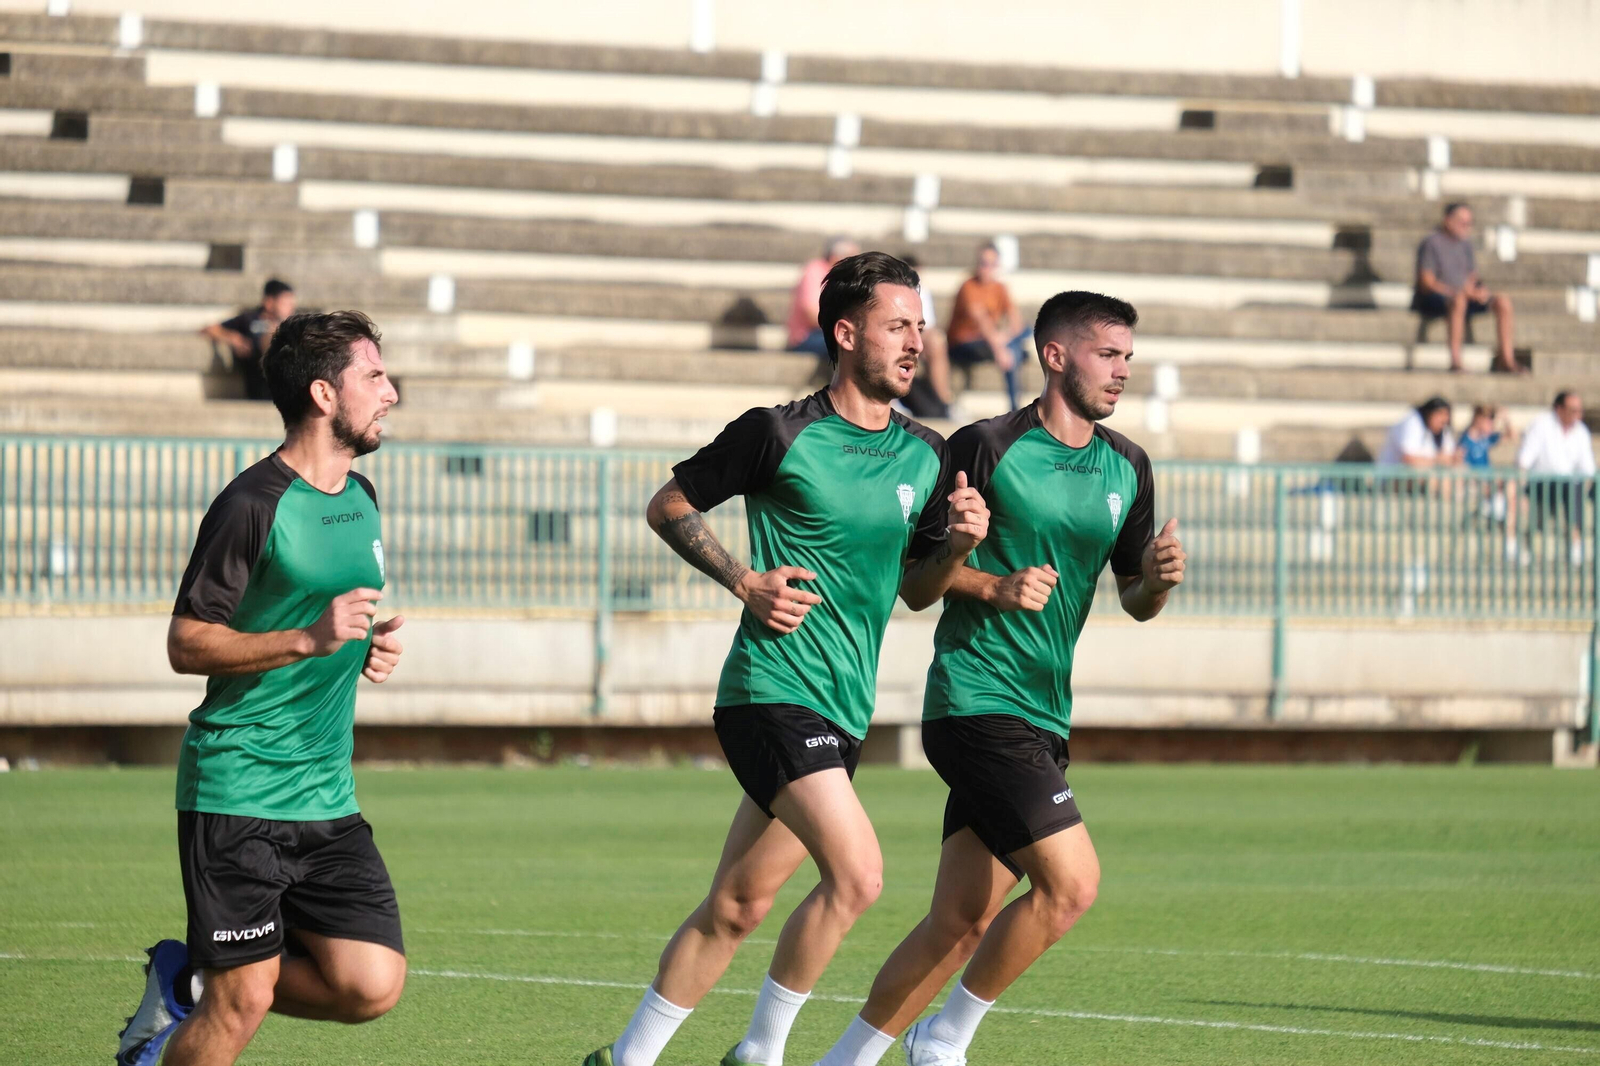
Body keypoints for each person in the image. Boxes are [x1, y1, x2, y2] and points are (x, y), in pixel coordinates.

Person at [582, 253, 990, 1066]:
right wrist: (745, 580)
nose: (917, 342)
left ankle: (625, 1059)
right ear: (845, 333)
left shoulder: (928, 453)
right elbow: (669, 504)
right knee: (860, 876)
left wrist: (963, 548)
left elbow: (917, 590)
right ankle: (762, 1054)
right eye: (896, 326)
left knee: (737, 903)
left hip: (844, 710)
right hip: (768, 691)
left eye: (920, 325)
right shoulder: (777, 431)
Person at [815, 291, 1185, 1066]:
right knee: (1071, 885)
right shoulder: (984, 446)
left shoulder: (1129, 465)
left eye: (1127, 358)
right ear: (1055, 356)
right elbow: (916, 581)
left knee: (958, 922)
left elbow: (1137, 601)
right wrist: (989, 579)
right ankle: (943, 1040)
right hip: (976, 701)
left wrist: (1156, 579)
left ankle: (841, 1061)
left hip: (1046, 717)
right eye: (1107, 355)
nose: (1121, 373)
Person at [115, 310, 406, 1066]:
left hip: (327, 795)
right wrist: (307, 639)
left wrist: (363, 645)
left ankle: (187, 982)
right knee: (242, 1001)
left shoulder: (364, 494)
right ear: (322, 393)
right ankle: (198, 1000)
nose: (392, 392)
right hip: (239, 787)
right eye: (374, 376)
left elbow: (320, 610)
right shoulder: (250, 504)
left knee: (370, 984)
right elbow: (186, 642)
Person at [1411, 203, 1519, 374]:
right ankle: (1456, 361)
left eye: (1468, 222)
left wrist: (1479, 291)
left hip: (1462, 295)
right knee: (1459, 301)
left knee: (1502, 301)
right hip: (1435, 298)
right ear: (1447, 220)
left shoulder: (1466, 245)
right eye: (1461, 221)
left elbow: (1472, 277)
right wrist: (1456, 293)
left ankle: (1506, 359)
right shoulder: (1431, 243)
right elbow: (1427, 282)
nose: (1466, 226)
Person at [947, 242, 1030, 412]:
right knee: (1014, 350)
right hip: (964, 343)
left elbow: (1016, 322)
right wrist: (1000, 347)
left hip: (990, 340)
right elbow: (981, 321)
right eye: (983, 263)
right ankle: (1015, 407)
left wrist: (1003, 338)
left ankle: (1015, 406)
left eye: (991, 264)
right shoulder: (968, 287)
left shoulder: (1000, 288)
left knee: (1026, 332)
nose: (986, 268)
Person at [1518, 391, 1595, 566]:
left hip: (1569, 486)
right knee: (1569, 486)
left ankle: (1577, 541)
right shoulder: (1541, 425)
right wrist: (1520, 489)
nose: (1577, 415)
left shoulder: (1581, 431)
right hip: (1540, 484)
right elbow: (1524, 460)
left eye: (1579, 411)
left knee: (1576, 486)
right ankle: (1531, 545)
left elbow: (1588, 470)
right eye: (1573, 410)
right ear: (1558, 409)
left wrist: (1584, 488)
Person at [202, 279, 297, 401]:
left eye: (291, 304)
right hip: (259, 385)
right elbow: (210, 329)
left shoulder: (293, 324)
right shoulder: (250, 319)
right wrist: (232, 338)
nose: (291, 308)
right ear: (269, 302)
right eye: (285, 303)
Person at [1459, 405, 1520, 558]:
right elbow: (1462, 469)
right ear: (1478, 420)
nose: (1492, 425)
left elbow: (1513, 436)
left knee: (1511, 488)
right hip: (1476, 487)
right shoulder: (1465, 441)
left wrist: (1506, 418)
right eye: (1489, 421)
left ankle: (1510, 543)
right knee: (1510, 494)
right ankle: (1510, 544)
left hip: (1489, 485)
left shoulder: (1485, 439)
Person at [899, 254, 954, 419]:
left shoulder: (922, 291)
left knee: (937, 342)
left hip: (917, 336)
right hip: (899, 334)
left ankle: (944, 401)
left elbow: (927, 324)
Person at [787, 238, 861, 357]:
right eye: (853, 259)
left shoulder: (846, 279)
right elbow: (812, 315)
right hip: (807, 336)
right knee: (850, 343)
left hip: (832, 332)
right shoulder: (815, 271)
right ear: (835, 257)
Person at [1378, 397, 1459, 471]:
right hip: (1394, 478)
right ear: (1430, 414)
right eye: (1440, 414)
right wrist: (1438, 460)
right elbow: (1408, 459)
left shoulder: (1442, 429)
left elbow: (1449, 456)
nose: (1442, 421)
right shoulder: (1412, 421)